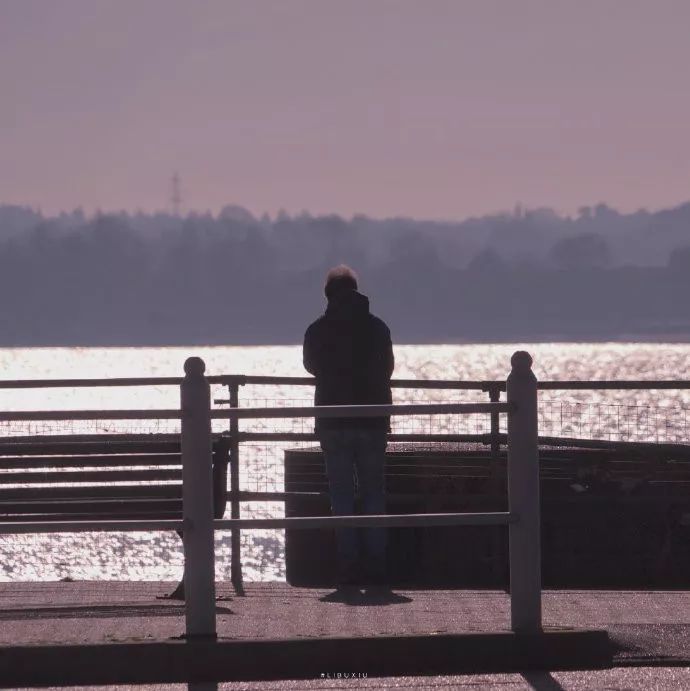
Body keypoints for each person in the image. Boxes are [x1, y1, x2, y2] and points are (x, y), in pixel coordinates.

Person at [303, 265, 394, 587]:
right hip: (372, 419)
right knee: (373, 492)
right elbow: (388, 368)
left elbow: (311, 366)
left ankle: (348, 563)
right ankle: (377, 563)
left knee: (341, 493)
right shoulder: (377, 328)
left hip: (333, 418)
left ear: (328, 294)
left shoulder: (318, 330)